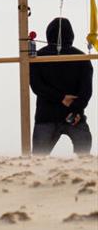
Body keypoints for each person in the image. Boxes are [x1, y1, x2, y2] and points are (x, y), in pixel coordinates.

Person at [30, 17, 93, 155]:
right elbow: (86, 92)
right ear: (71, 34)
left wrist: (62, 99)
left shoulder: (37, 56)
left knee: (38, 160)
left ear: (48, 33)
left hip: (47, 116)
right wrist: (75, 109)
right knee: (84, 157)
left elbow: (36, 86)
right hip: (72, 115)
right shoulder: (81, 57)